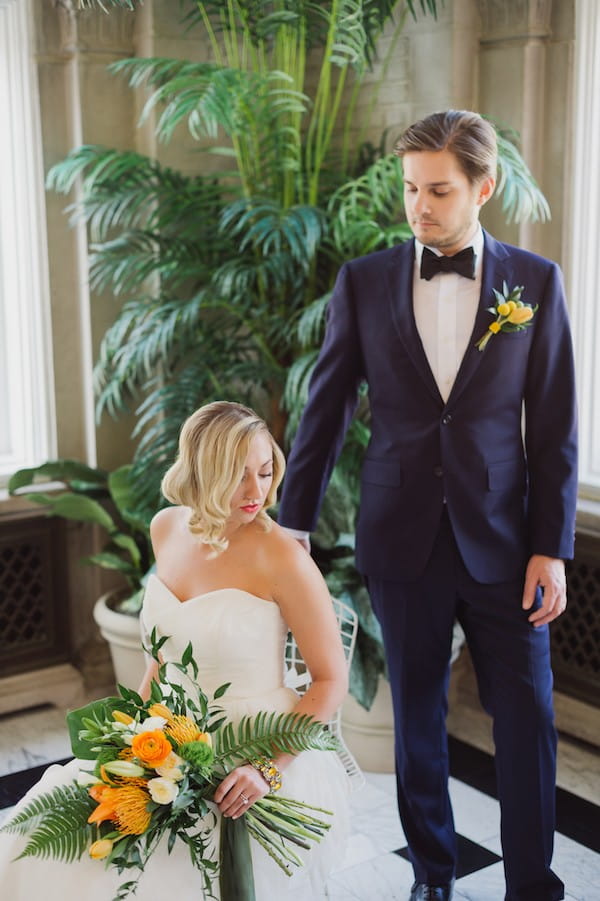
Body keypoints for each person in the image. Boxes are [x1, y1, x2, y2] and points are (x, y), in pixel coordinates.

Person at [278, 110, 578, 901]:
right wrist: (291, 524)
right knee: (415, 722)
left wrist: (551, 546)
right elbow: (327, 408)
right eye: (410, 188)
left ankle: (530, 885)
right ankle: (434, 877)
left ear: (485, 186)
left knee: (528, 721)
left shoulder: (535, 283)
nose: (420, 206)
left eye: (439, 190)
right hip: (399, 536)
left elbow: (554, 426)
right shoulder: (365, 280)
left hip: (507, 543)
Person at [0, 401, 351, 900]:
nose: (256, 491)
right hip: (162, 737)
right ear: (201, 472)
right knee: (40, 844)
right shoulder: (166, 528)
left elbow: (329, 680)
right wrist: (129, 734)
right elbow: (161, 657)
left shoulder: (283, 558)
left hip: (251, 748)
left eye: (265, 470)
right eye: (237, 475)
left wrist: (267, 770)